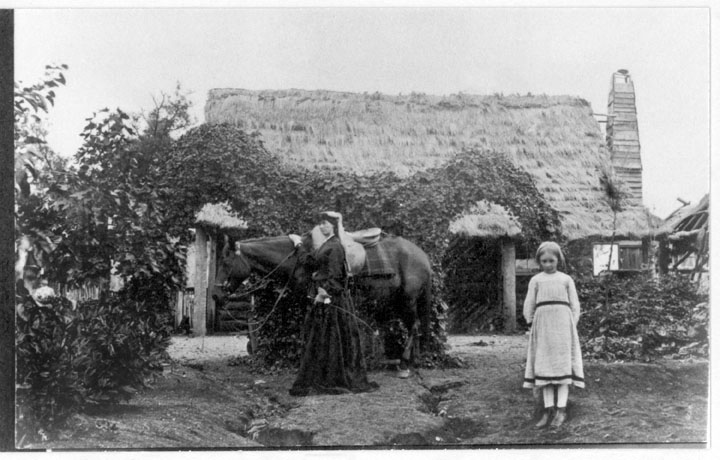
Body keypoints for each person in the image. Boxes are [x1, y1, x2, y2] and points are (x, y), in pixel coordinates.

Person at [289, 211, 378, 396]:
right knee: (322, 339)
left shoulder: (336, 246)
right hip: (324, 297)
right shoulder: (325, 245)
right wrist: (298, 244)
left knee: (333, 338)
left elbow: (336, 276)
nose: (323, 226)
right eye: (321, 223)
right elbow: (310, 261)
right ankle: (323, 377)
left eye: (327, 223)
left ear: (333, 226)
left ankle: (333, 378)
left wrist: (324, 292)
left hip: (333, 300)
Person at [523, 241, 584, 428]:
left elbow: (575, 306)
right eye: (544, 261)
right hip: (543, 329)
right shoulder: (536, 280)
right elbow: (529, 304)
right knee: (546, 370)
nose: (548, 264)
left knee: (561, 369)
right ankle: (547, 412)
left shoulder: (566, 280)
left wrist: (570, 326)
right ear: (539, 262)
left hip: (563, 330)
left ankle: (561, 411)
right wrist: (532, 323)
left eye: (552, 260)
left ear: (559, 260)